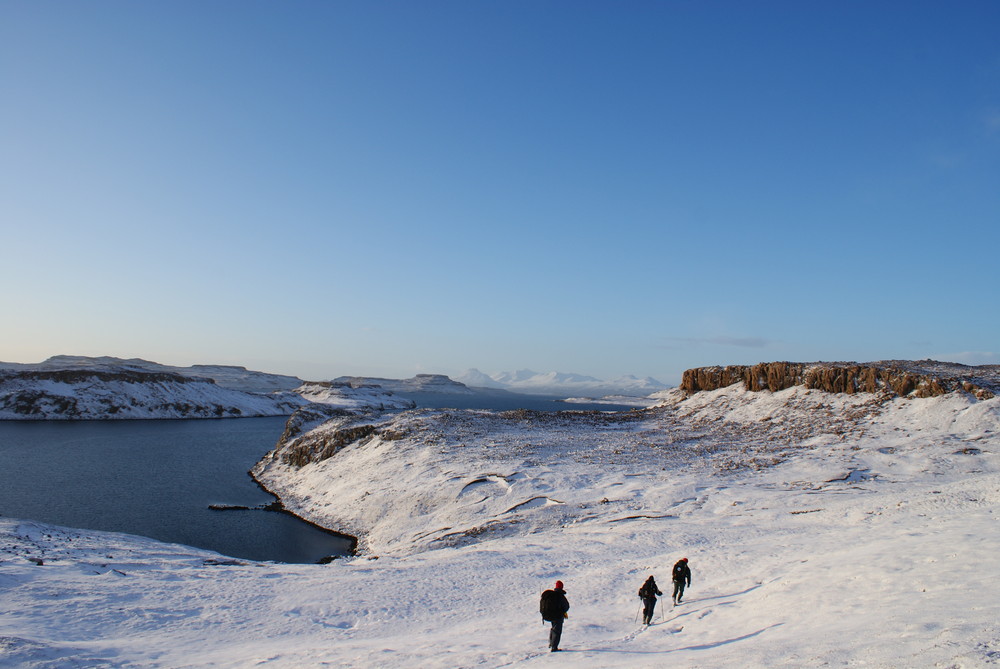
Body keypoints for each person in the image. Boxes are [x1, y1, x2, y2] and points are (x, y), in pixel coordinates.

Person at [539, 580, 570, 652]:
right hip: (558, 616)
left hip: (550, 615)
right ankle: (554, 647)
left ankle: (551, 643)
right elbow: (566, 606)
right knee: (557, 630)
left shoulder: (551, 595)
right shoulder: (560, 596)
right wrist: (563, 612)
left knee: (553, 629)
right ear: (562, 587)